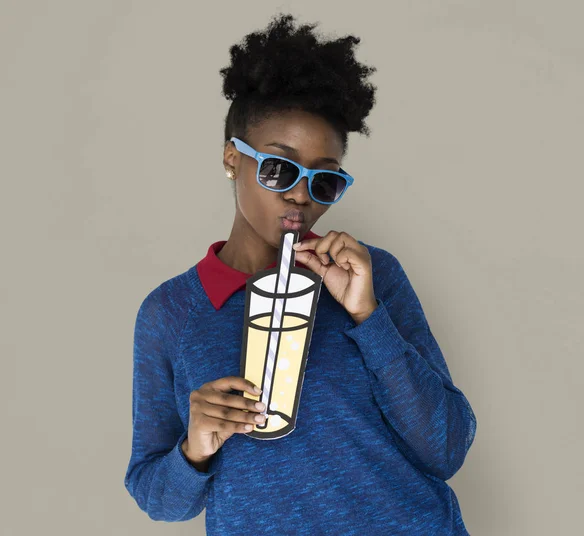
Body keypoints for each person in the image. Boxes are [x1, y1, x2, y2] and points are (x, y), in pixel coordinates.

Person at [123, 12, 477, 535]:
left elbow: (446, 446)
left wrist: (367, 314)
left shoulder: (371, 277)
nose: (299, 196)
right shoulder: (171, 313)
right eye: (278, 168)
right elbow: (159, 499)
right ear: (230, 158)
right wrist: (192, 449)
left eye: (324, 181)